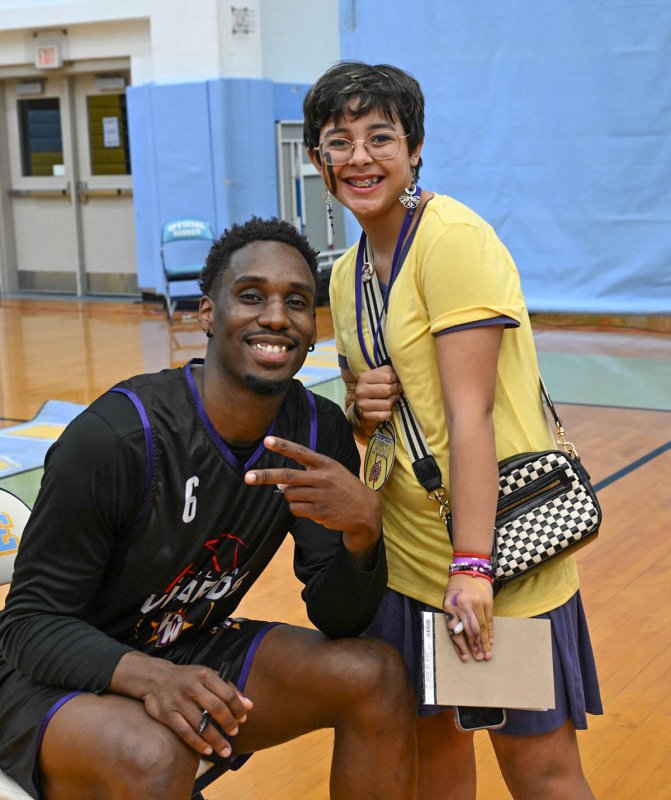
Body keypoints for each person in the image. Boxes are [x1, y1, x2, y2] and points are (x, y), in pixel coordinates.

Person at [0, 217, 418, 800]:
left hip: (180, 647)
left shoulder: (314, 430)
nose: (276, 316)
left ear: (311, 327)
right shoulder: (117, 437)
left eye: (296, 302)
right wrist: (151, 677)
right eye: (252, 296)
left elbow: (339, 618)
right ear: (207, 314)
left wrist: (363, 534)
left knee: (375, 675)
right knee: (153, 754)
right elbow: (28, 627)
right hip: (51, 679)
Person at [303, 62, 602, 800]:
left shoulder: (452, 240)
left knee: (539, 768)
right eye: (338, 142)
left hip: (494, 552)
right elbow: (391, 413)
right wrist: (360, 407)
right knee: (431, 754)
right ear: (317, 160)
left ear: (415, 150)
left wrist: (473, 567)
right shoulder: (343, 276)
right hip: (406, 560)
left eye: (380, 136)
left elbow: (468, 415)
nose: (359, 157)